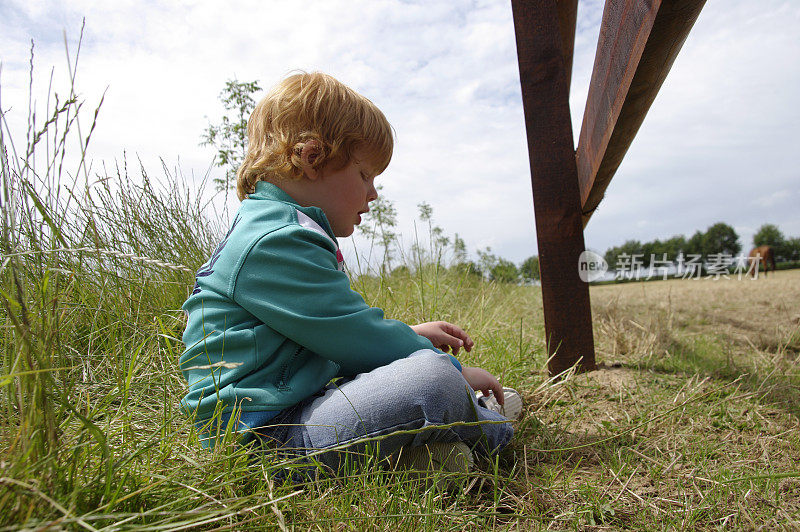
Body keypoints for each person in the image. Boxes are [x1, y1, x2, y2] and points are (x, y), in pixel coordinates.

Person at [180, 72, 521, 474]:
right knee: (434, 379)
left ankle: (420, 463)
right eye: (365, 175)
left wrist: (409, 337)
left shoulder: (279, 228)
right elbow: (356, 339)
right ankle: (489, 425)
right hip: (263, 441)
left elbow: (337, 336)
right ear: (311, 158)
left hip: (292, 417)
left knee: (419, 377)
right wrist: (458, 372)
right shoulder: (275, 239)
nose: (373, 193)